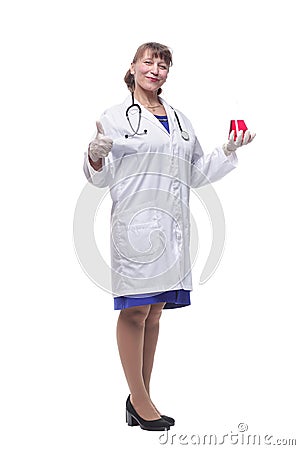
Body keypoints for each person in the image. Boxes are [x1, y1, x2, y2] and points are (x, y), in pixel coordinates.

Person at [83, 42, 255, 431]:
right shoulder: (113, 118)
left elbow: (194, 175)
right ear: (133, 67)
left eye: (163, 65)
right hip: (136, 227)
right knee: (136, 310)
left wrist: (226, 151)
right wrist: (94, 155)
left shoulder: (180, 121)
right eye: (149, 62)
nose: (156, 69)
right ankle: (141, 401)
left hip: (173, 229)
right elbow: (100, 177)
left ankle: (138, 396)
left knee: (156, 310)